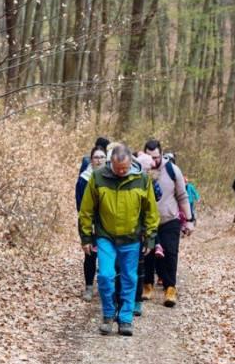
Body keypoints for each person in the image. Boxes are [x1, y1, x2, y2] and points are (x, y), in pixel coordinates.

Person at [79, 143, 159, 336]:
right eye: (117, 168)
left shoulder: (142, 179)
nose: (121, 172)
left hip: (131, 238)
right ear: (111, 163)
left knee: (129, 278)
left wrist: (150, 238)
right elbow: (86, 210)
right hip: (106, 236)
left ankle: (125, 319)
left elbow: (151, 211)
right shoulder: (98, 177)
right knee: (106, 276)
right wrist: (86, 237)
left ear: (130, 163)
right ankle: (108, 315)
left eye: (124, 168)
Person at [142, 139, 194, 307]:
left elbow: (182, 196)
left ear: (162, 154)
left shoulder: (173, 170)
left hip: (169, 219)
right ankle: (147, 285)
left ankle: (170, 288)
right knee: (147, 254)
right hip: (147, 221)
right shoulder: (139, 171)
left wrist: (190, 220)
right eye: (150, 157)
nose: (153, 161)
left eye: (156, 157)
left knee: (170, 253)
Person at [75, 146, 107, 301]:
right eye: (96, 157)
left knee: (107, 255)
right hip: (89, 222)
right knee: (90, 255)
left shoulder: (110, 176)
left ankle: (105, 287)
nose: (99, 160)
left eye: (102, 157)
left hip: (107, 223)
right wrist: (88, 224)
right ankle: (88, 287)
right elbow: (80, 205)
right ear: (91, 160)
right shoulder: (84, 178)